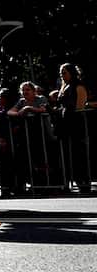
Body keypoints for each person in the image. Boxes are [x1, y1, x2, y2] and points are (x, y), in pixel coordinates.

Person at [50, 63, 91, 193]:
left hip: (75, 124)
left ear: (71, 72)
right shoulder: (63, 87)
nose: (62, 75)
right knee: (66, 154)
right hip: (64, 124)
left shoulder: (78, 86)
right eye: (61, 72)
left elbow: (79, 107)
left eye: (64, 72)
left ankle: (83, 182)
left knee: (78, 153)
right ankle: (67, 181)